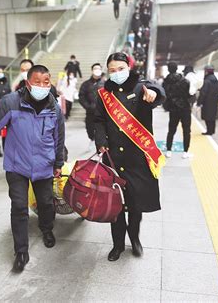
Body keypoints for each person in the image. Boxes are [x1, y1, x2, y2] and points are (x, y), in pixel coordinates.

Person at [0, 64, 65, 273]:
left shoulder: (54, 107)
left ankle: (47, 229)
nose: (42, 86)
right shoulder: (11, 102)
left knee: (46, 203)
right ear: (28, 83)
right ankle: (21, 251)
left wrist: (58, 163)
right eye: (37, 82)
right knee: (18, 206)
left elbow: (58, 138)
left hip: (44, 165)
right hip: (17, 165)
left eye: (46, 82)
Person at [94, 52, 165, 262]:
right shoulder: (103, 94)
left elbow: (157, 91)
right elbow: (98, 120)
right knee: (114, 205)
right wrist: (101, 142)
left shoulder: (141, 86)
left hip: (137, 159)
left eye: (120, 69)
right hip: (113, 158)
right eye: (112, 70)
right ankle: (117, 245)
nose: (116, 73)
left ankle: (135, 240)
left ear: (129, 68)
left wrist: (153, 93)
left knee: (135, 204)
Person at [162, 62, 192, 159]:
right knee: (186, 130)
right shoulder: (185, 81)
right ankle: (185, 152)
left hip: (173, 109)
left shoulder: (166, 82)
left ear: (168, 69)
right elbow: (190, 94)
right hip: (185, 109)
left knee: (171, 130)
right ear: (177, 68)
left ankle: (168, 151)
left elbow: (164, 95)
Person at [78, 63, 104, 144]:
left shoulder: (105, 84)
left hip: (102, 112)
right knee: (90, 128)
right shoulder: (86, 84)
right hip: (90, 111)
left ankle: (102, 143)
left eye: (99, 69)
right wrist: (88, 106)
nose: (97, 70)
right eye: (95, 68)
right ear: (92, 70)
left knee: (102, 128)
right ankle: (92, 140)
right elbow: (81, 96)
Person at [197, 64, 218, 135]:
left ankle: (209, 131)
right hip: (214, 102)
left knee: (207, 117)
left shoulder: (207, 81)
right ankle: (212, 130)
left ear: (206, 72)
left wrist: (199, 102)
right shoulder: (217, 81)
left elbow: (203, 93)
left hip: (207, 102)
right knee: (212, 117)